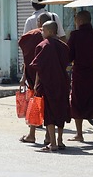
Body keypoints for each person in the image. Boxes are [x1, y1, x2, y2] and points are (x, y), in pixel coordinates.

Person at [29, 21, 71, 151]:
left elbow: (39, 68)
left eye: (43, 30)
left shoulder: (42, 46)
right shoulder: (64, 46)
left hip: (49, 83)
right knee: (60, 109)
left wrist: (36, 84)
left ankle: (52, 143)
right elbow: (67, 64)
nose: (41, 33)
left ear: (50, 32)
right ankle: (60, 141)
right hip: (63, 82)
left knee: (50, 112)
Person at [18, 13, 52, 144]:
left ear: (39, 23)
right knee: (49, 104)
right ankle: (50, 136)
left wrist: (24, 76)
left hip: (34, 75)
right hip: (51, 76)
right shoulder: (55, 39)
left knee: (35, 103)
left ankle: (32, 134)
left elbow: (28, 58)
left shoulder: (31, 36)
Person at [67, 10, 93, 142]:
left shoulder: (75, 35)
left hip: (80, 74)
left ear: (80, 21)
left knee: (77, 102)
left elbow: (69, 56)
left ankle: (79, 134)